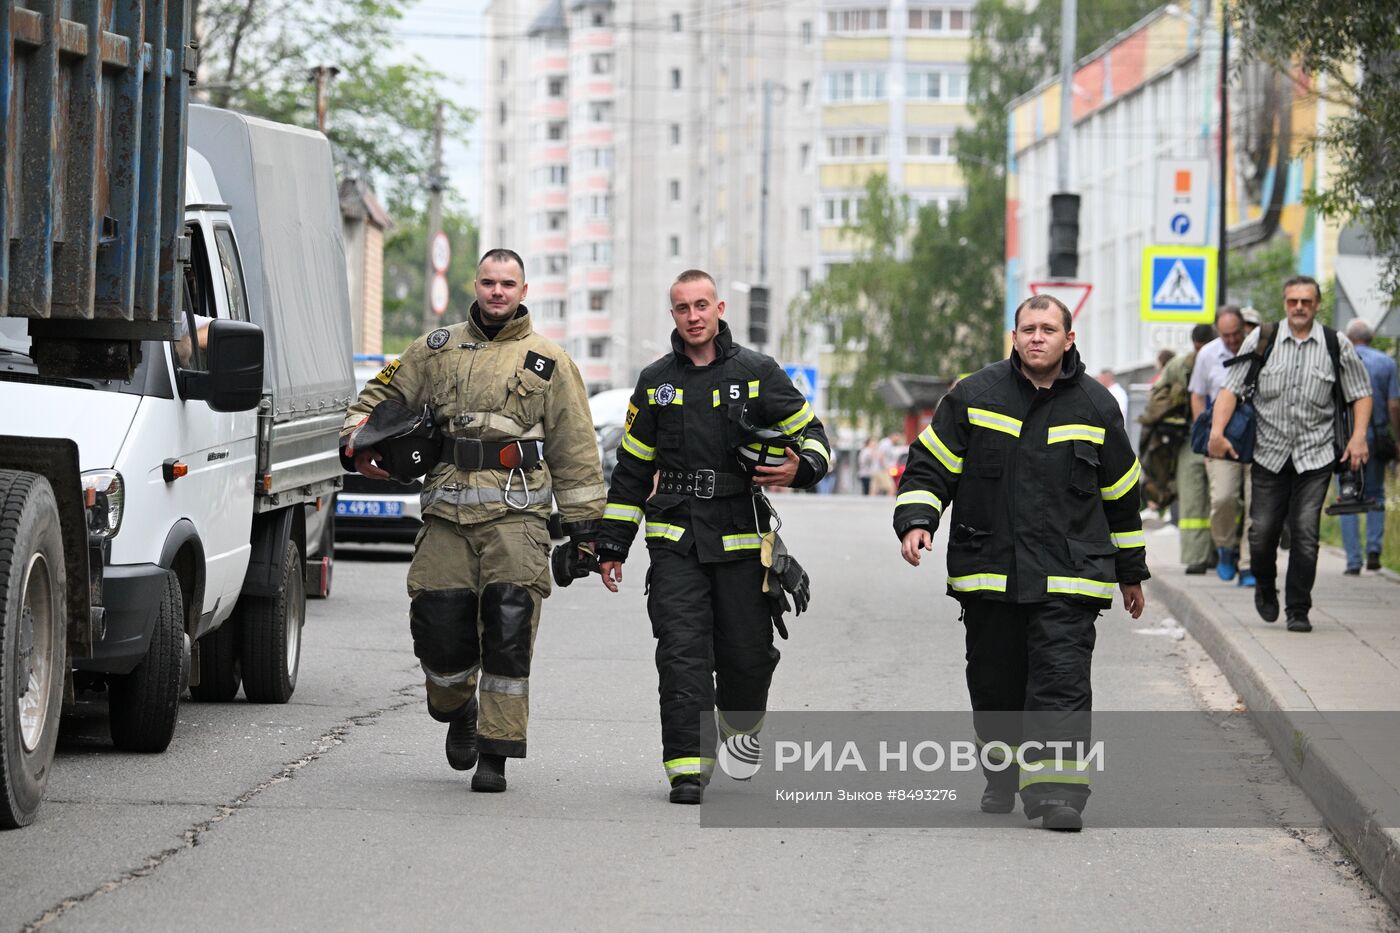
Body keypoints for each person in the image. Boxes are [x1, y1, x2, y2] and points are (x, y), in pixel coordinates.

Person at [341, 249, 606, 792]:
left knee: (509, 631)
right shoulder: (433, 350)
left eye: (508, 283)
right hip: (444, 513)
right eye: (489, 282)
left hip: (518, 516)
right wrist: (357, 443)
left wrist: (585, 533)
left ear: (524, 289)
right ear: (476, 284)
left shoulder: (549, 361)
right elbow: (375, 399)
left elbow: (576, 450)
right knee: (439, 632)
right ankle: (456, 706)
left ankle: (495, 752)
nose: (497, 292)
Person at [895, 294, 1148, 832]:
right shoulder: (973, 395)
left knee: (1061, 680)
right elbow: (928, 466)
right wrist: (918, 519)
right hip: (990, 573)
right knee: (995, 688)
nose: (1037, 337)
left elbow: (1122, 495)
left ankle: (1057, 793)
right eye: (1027, 328)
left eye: (1048, 329)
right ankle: (1001, 773)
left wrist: (1132, 572)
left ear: (1068, 339)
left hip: (1070, 576)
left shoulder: (1098, 406)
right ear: (1014, 337)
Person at [597, 269, 830, 805]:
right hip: (675, 539)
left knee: (747, 658)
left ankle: (738, 725)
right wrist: (612, 545)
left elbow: (811, 434)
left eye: (703, 305)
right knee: (681, 653)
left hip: (743, 543)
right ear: (673, 314)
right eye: (683, 308)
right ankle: (687, 768)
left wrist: (802, 469)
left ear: (720, 307)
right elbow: (631, 470)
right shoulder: (654, 381)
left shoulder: (757, 371)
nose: (694, 316)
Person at [1208, 275, 1372, 632]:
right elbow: (1230, 389)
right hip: (1269, 453)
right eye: (1293, 301)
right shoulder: (1262, 339)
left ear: (1316, 305)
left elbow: (1361, 392)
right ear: (1285, 303)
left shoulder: (1335, 344)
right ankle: (1266, 585)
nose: (1299, 307)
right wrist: (1217, 433)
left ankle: (1298, 609)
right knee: (1262, 533)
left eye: (1306, 302)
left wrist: (1359, 438)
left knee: (1305, 534)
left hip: (1316, 456)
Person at [1140, 323, 1215, 572]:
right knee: (1193, 498)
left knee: (1223, 498)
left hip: (1223, 437)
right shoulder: (1179, 367)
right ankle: (1196, 557)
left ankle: (1224, 552)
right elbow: (1156, 397)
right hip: (1188, 439)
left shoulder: (1226, 362)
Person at [1190, 306, 1252, 583]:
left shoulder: (1257, 349)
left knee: (1256, 504)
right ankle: (1226, 548)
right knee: (1224, 498)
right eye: (1226, 335)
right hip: (1220, 437)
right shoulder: (1208, 355)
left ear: (1244, 328)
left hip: (1255, 437)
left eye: (1236, 333)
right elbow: (1198, 396)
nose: (1232, 340)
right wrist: (1205, 441)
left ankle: (1249, 564)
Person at [1340, 318, 1399, 573]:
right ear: (1371, 336)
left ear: (1349, 337)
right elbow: (1394, 405)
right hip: (1375, 438)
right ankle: (1373, 550)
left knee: (1347, 496)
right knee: (1376, 493)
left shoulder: (1339, 360)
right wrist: (1397, 438)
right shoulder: (1387, 362)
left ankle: (1353, 560)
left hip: (1343, 439)